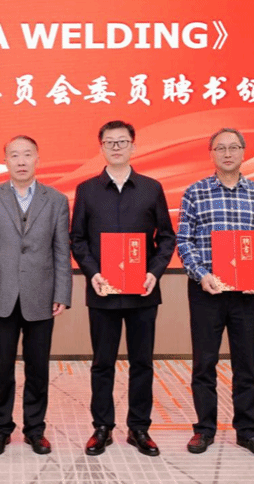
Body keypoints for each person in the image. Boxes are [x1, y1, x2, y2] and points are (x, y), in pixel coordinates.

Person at [70, 120, 176, 457]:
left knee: (142, 362)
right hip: (102, 291)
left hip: (142, 291)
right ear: (101, 147)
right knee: (102, 363)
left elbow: (166, 237)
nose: (116, 147)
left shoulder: (151, 188)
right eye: (110, 142)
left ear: (133, 146)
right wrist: (92, 273)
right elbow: (77, 239)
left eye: (122, 141)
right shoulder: (87, 189)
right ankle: (102, 427)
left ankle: (139, 428)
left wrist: (154, 272)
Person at [177, 128, 254, 458]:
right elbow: (184, 241)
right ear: (211, 154)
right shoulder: (195, 192)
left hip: (248, 293)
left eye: (233, 147)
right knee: (204, 364)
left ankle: (248, 432)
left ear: (243, 152)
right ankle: (204, 429)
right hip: (206, 290)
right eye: (220, 148)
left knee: (246, 365)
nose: (227, 153)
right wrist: (201, 274)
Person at [0, 135, 72, 456]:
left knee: (38, 369)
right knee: (1, 369)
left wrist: (62, 292)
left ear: (37, 159)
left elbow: (61, 250)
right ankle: (0, 430)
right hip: (0, 295)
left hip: (41, 295)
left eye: (27, 154)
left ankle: (35, 429)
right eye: (14, 155)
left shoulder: (56, 200)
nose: (21, 161)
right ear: (5, 161)